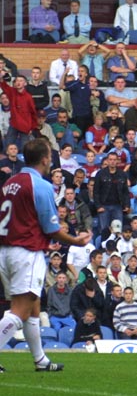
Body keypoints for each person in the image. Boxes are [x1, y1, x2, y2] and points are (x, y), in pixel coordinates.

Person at [0, 138, 93, 372]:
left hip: (7, 250)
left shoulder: (10, 182)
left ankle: (40, 359)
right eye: (50, 156)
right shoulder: (40, 185)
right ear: (45, 159)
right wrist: (76, 240)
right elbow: (52, 228)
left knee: (33, 306)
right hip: (26, 252)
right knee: (19, 311)